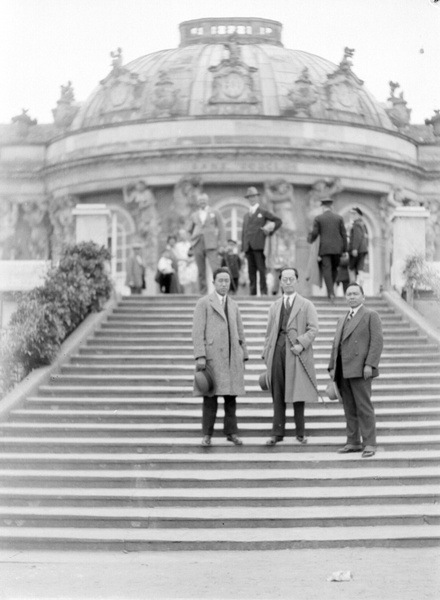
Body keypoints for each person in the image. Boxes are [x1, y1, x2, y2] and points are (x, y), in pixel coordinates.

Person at [262, 267, 319, 445]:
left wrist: (301, 344)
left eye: (291, 278)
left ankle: (300, 432)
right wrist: (267, 353)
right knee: (278, 391)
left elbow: (313, 329)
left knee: (298, 391)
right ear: (280, 282)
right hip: (277, 350)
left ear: (297, 281)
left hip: (296, 351)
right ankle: (277, 432)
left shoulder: (306, 305)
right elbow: (269, 331)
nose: (288, 282)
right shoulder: (275, 306)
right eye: (285, 279)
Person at [192, 267, 249, 447]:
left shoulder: (234, 304)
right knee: (210, 398)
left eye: (226, 281)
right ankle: (207, 434)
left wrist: (243, 355)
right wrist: (200, 355)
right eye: (220, 281)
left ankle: (231, 432)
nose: (224, 284)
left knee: (231, 398)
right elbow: (197, 331)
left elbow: (240, 332)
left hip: (232, 358)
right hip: (211, 358)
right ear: (213, 283)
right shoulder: (204, 303)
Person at [328, 282, 384, 458]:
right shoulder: (342, 319)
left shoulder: (370, 315)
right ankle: (353, 442)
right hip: (343, 370)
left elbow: (377, 342)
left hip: (361, 369)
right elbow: (335, 344)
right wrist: (331, 366)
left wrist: (370, 364)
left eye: (355, 293)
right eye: (348, 294)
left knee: (364, 406)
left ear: (363, 297)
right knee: (349, 407)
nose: (351, 296)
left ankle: (370, 443)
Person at [241, 186, 282, 296]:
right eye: (249, 197)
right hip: (248, 247)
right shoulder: (246, 215)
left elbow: (278, 221)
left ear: (257, 197)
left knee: (261, 270)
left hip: (259, 246)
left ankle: (263, 293)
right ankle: (252, 293)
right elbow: (244, 232)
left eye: (253, 196)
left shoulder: (263, 212)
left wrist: (269, 229)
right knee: (251, 272)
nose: (252, 198)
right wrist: (243, 248)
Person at [308, 198, 348, 300]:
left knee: (327, 269)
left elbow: (315, 233)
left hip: (324, 249)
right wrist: (345, 249)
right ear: (331, 207)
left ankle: (330, 292)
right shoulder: (339, 218)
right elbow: (344, 234)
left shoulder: (319, 218)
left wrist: (310, 239)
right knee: (334, 269)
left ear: (323, 207)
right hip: (337, 249)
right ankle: (331, 289)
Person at [188, 193, 226, 294]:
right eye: (200, 201)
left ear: (207, 201)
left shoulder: (215, 212)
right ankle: (202, 292)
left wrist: (222, 245)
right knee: (201, 270)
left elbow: (221, 228)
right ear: (198, 202)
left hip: (211, 243)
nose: (202, 202)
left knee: (215, 269)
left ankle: (219, 292)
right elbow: (189, 230)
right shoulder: (194, 215)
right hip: (198, 243)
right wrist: (191, 243)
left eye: (203, 200)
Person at [348, 207, 368, 284]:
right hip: (363, 249)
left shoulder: (356, 224)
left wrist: (354, 248)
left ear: (359, 215)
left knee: (351, 268)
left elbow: (357, 237)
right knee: (360, 269)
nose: (352, 216)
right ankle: (360, 286)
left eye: (354, 214)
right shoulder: (361, 224)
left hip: (358, 250)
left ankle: (353, 286)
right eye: (352, 214)